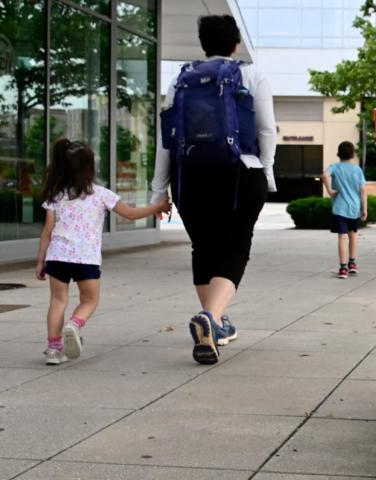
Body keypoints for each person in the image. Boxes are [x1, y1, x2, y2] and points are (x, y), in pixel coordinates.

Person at [151, 15, 277, 364]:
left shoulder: (181, 80)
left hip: (189, 176)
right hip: (240, 172)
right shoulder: (251, 75)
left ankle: (214, 325)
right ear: (235, 44)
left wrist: (158, 189)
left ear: (203, 44)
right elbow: (266, 130)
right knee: (236, 248)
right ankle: (212, 318)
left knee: (203, 249)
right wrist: (265, 173)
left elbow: (167, 139)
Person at [36, 139, 170, 365]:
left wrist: (41, 261)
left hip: (57, 256)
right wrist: (158, 207)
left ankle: (53, 349)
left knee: (58, 301)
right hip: (85, 258)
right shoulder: (100, 194)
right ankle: (74, 324)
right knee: (89, 300)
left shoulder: (57, 195)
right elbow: (131, 214)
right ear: (89, 167)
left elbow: (47, 232)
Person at [323, 141, 367, 279]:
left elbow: (324, 175)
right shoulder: (357, 170)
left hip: (340, 209)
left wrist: (330, 191)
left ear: (338, 153)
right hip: (354, 209)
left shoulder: (334, 167)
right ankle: (352, 264)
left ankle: (343, 269)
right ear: (353, 154)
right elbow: (363, 190)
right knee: (353, 235)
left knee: (343, 237)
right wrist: (364, 208)